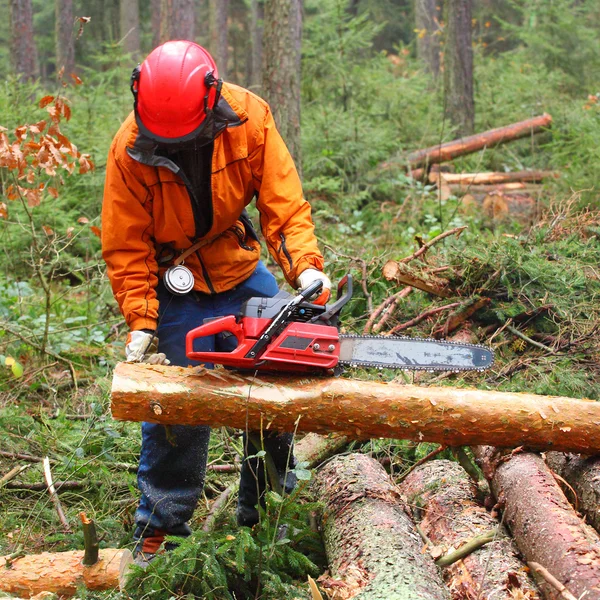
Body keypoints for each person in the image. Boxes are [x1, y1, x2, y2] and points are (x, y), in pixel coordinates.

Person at [101, 40, 331, 564]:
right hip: (176, 280)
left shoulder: (249, 119)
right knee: (177, 404)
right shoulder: (130, 147)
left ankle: (269, 507)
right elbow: (125, 242)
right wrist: (141, 319)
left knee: (279, 377)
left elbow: (283, 202)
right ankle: (161, 526)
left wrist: (305, 266)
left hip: (239, 267)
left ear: (210, 99)